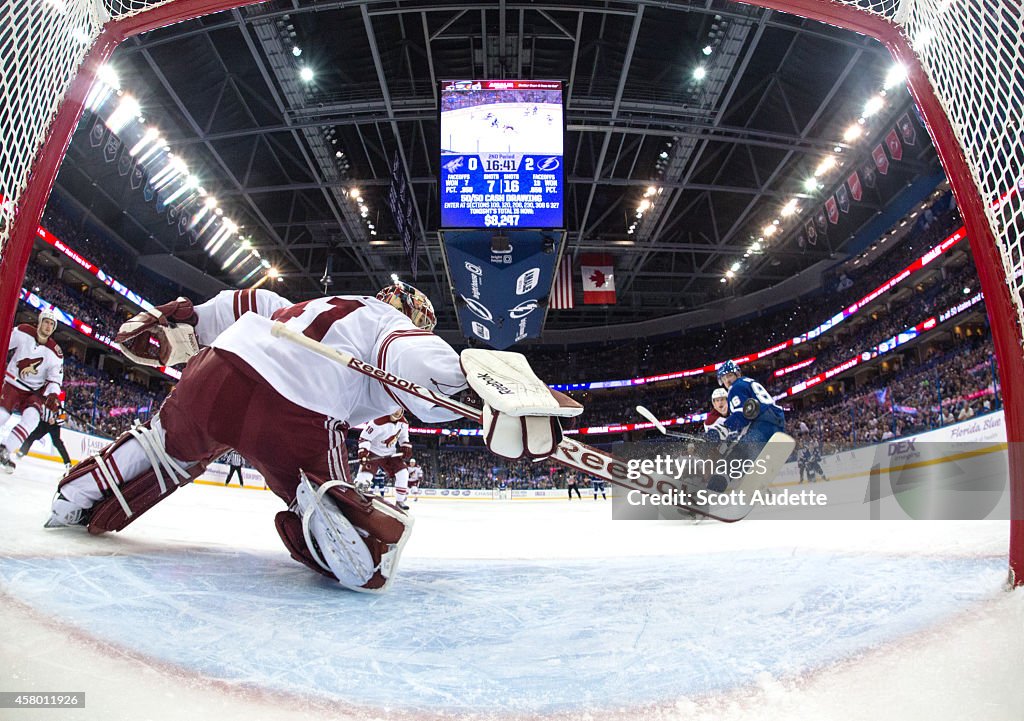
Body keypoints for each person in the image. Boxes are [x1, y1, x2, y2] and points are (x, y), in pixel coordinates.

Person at [44, 283, 573, 592]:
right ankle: (325, 521)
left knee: (167, 449)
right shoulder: (387, 321)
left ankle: (78, 496)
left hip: (217, 369)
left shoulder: (310, 305)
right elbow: (413, 360)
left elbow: (240, 304)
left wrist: (185, 321)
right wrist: (476, 386)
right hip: (295, 405)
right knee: (354, 535)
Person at [0, 309, 64, 473]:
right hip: (12, 384)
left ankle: (4, 451)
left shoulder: (55, 353)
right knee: (3, 415)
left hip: (33, 393)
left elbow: (54, 380)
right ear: (40, 322)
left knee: (32, 418)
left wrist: (52, 395)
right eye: (46, 322)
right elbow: (4, 343)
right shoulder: (23, 331)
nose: (48, 326)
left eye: (52, 324)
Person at [716, 359, 785, 458]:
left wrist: (726, 428)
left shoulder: (735, 388)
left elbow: (741, 415)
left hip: (762, 425)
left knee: (741, 453)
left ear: (737, 374)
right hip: (778, 420)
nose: (727, 380)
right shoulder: (748, 381)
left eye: (729, 375)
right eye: (724, 378)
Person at [353, 409, 412, 510]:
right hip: (373, 452)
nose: (397, 413)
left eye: (400, 411)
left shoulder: (404, 423)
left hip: (390, 454)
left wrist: (405, 446)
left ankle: (400, 501)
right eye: (395, 409)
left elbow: (404, 437)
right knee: (365, 476)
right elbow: (365, 437)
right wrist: (363, 451)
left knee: (403, 473)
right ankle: (356, 498)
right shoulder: (377, 421)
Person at [16, 393, 72, 472]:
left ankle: (67, 462)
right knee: (32, 436)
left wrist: (55, 420)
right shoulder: (43, 399)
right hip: (44, 423)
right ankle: (22, 451)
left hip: (54, 426)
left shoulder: (60, 405)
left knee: (57, 442)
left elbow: (63, 417)